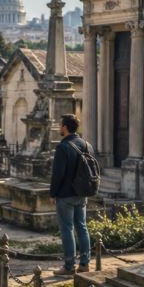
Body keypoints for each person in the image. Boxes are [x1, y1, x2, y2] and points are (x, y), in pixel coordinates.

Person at [50, 114, 93, 276]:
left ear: (65, 127)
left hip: (65, 195)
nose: (60, 127)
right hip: (82, 193)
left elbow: (58, 174)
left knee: (67, 229)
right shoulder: (86, 145)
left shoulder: (63, 147)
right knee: (82, 227)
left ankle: (69, 266)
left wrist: (53, 193)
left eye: (61, 125)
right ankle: (84, 263)